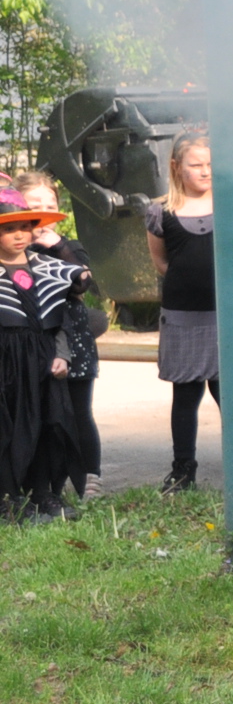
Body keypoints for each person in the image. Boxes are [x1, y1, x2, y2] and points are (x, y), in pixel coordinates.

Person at [0, 184, 88, 522]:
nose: (19, 235)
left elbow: (64, 309)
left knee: (50, 425)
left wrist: (61, 354)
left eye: (24, 227)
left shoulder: (47, 267)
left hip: (44, 357)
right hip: (6, 362)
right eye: (8, 229)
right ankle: (8, 500)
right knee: (8, 429)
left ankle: (45, 494)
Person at [144, 130, 221, 494]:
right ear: (176, 168)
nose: (205, 171)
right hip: (183, 319)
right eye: (196, 165)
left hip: (224, 319)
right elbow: (161, 262)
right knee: (186, 397)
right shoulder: (160, 211)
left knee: (230, 395)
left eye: (209, 164)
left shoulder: (229, 203)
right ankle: (183, 470)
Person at [16, 174, 102, 498]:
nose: (42, 213)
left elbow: (82, 282)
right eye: (33, 206)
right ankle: (45, 482)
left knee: (79, 412)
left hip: (75, 341)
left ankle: (90, 479)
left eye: (50, 205)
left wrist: (59, 246)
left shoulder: (69, 247)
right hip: (35, 343)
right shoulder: (13, 250)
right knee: (41, 414)